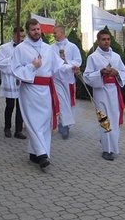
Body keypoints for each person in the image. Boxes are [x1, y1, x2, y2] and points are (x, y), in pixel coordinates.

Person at [12, 18, 78, 169]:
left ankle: (34, 153)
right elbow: (15, 70)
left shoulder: (48, 48)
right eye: (33, 29)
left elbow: (59, 65)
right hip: (30, 89)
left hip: (46, 91)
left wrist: (71, 68)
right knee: (33, 122)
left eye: (38, 29)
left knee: (44, 123)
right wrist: (31, 67)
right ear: (28, 31)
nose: (36, 32)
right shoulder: (21, 49)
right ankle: (42, 156)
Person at [83, 28, 125, 161]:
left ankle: (112, 145)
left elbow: (124, 72)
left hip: (113, 90)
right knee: (104, 119)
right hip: (100, 91)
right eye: (103, 39)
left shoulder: (116, 57)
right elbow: (87, 76)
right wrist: (100, 73)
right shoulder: (93, 57)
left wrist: (117, 73)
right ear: (98, 41)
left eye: (108, 39)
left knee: (113, 118)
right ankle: (106, 149)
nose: (106, 42)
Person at [51, 25, 82, 139]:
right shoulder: (51, 48)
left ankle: (66, 125)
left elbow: (78, 61)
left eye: (55, 32)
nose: (53, 34)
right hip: (56, 78)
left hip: (68, 79)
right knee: (60, 101)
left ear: (62, 32)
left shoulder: (72, 47)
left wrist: (67, 63)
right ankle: (63, 125)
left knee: (68, 102)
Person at [0, 27, 26, 139]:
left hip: (21, 79)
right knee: (10, 105)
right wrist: (13, 59)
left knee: (21, 106)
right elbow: (0, 63)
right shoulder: (4, 48)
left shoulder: (25, 48)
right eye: (19, 36)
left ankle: (18, 130)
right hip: (10, 79)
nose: (21, 38)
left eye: (23, 36)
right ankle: (7, 127)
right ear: (13, 34)